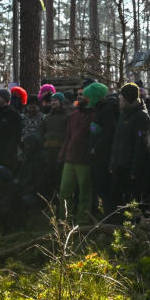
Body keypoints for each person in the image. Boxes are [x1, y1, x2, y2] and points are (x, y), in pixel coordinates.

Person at [58, 82, 102, 223]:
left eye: (82, 94)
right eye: (78, 94)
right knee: (65, 191)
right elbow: (68, 137)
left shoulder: (96, 115)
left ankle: (82, 222)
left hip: (85, 161)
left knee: (85, 193)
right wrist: (62, 155)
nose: (79, 96)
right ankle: (64, 221)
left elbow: (96, 137)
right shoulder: (74, 115)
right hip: (70, 159)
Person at [109, 82, 150, 215]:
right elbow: (117, 140)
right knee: (117, 200)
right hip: (119, 165)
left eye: (121, 99)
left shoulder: (141, 116)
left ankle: (133, 229)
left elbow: (141, 144)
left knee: (132, 202)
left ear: (128, 99)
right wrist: (113, 162)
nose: (119, 101)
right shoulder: (123, 115)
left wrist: (135, 169)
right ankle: (116, 230)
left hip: (131, 169)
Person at [89, 83, 119, 217]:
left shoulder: (107, 110)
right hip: (99, 155)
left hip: (104, 156)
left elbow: (109, 132)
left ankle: (111, 217)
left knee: (105, 187)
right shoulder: (100, 109)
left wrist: (96, 147)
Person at [41, 92, 69, 199]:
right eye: (52, 100)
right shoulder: (47, 118)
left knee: (60, 177)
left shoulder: (67, 116)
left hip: (61, 152)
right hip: (48, 152)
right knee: (49, 177)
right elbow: (42, 133)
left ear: (61, 102)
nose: (53, 102)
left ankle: (60, 200)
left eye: (56, 100)